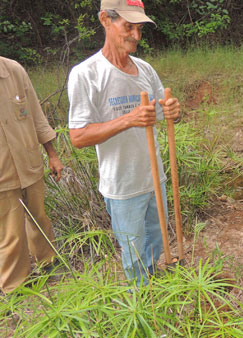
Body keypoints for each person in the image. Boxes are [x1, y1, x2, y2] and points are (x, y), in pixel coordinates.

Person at [68, 0, 181, 286]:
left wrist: (172, 112)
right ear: (105, 19)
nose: (136, 36)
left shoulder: (145, 69)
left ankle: (155, 287)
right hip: (122, 186)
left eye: (139, 28)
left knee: (156, 242)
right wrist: (128, 120)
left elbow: (160, 111)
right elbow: (78, 136)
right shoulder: (87, 74)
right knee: (133, 256)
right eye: (128, 27)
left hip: (154, 178)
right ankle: (141, 305)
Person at [0, 56, 64, 294]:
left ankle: (49, 263)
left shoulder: (14, 70)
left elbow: (36, 116)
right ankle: (14, 287)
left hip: (29, 163)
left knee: (39, 217)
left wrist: (52, 154)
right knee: (11, 233)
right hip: (3, 175)